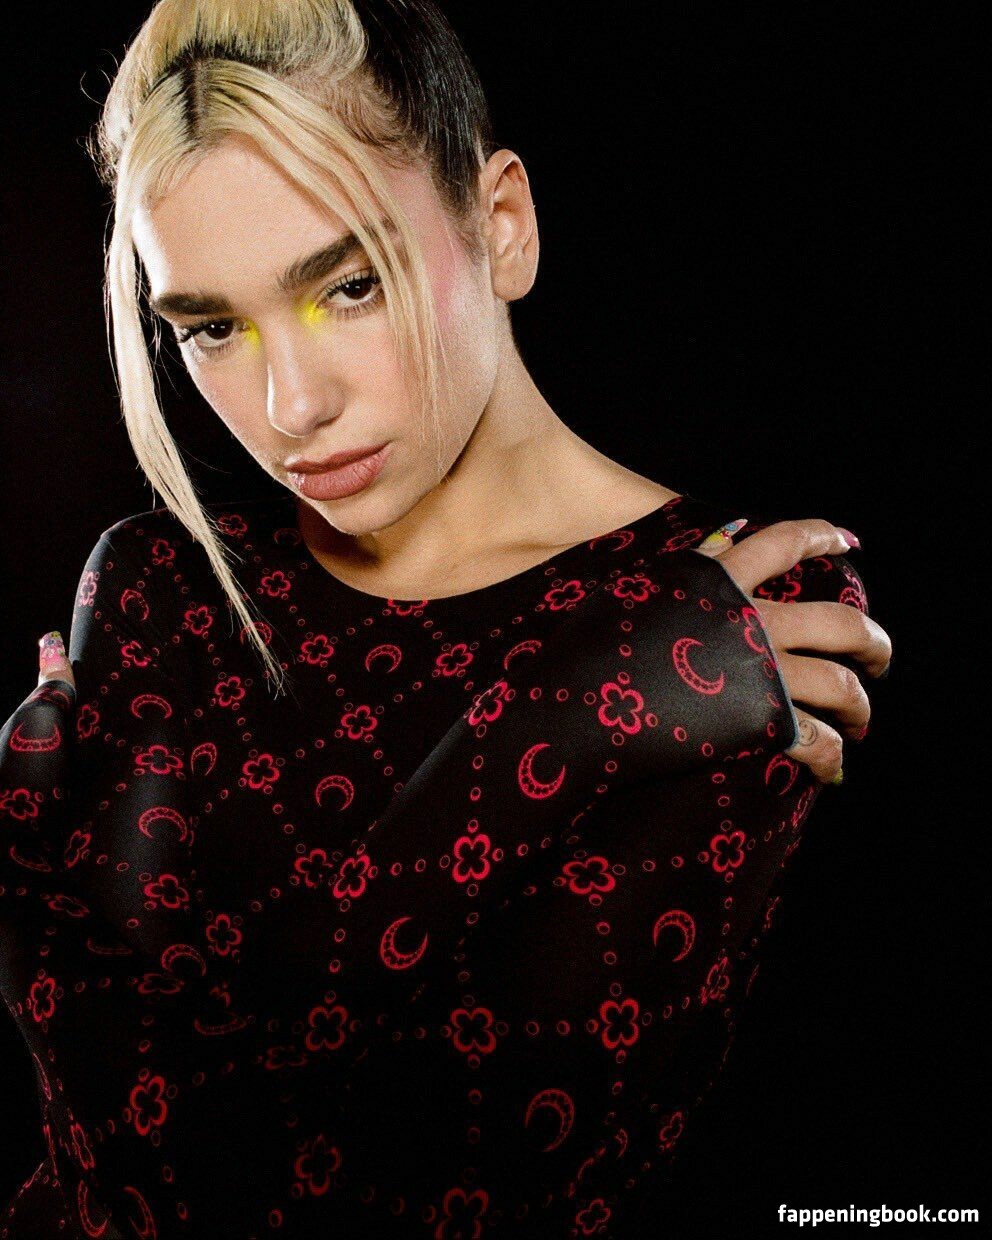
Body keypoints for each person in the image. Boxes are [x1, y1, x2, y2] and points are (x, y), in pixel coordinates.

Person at [0, 2, 891, 1236]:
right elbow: (131, 1162)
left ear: (502, 224)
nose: (290, 403)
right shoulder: (164, 588)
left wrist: (52, 953)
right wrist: (563, 725)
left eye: (348, 284)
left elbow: (416, 1185)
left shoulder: (730, 614)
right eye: (210, 326)